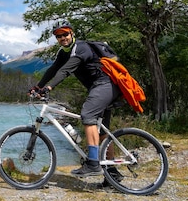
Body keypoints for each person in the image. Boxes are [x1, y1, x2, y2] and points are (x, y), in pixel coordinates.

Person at [30, 21, 122, 181]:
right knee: (102, 132)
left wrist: (49, 88)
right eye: (59, 36)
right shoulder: (63, 52)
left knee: (87, 115)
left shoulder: (81, 48)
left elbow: (65, 71)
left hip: (105, 85)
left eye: (65, 34)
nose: (62, 38)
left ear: (72, 33)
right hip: (101, 88)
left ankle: (93, 163)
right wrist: (38, 87)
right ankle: (112, 175)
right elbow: (53, 70)